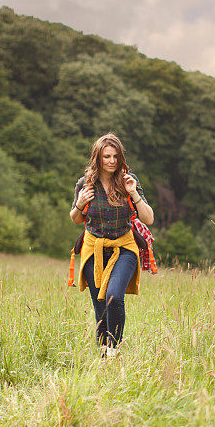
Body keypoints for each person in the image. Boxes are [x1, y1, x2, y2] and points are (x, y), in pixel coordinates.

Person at [70, 133, 154, 358]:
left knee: (114, 297)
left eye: (116, 156)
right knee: (100, 307)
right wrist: (79, 204)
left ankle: (114, 350)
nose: (112, 161)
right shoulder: (85, 183)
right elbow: (76, 219)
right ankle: (104, 355)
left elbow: (149, 218)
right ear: (97, 157)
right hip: (93, 247)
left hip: (123, 246)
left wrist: (133, 192)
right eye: (106, 156)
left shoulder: (128, 181)